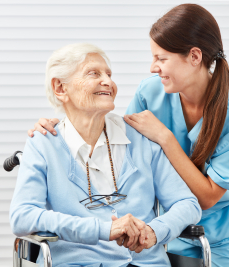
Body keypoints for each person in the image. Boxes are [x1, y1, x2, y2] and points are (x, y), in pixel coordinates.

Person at [29, 4, 229, 266]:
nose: (153, 67)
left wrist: (166, 138)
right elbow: (111, 137)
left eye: (161, 58)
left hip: (227, 225)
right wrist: (60, 122)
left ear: (195, 56)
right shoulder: (150, 93)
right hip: (175, 224)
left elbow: (207, 197)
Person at [11, 42, 201, 267]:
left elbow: (187, 204)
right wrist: (103, 229)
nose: (108, 82)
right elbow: (22, 216)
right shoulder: (44, 144)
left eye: (109, 74)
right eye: (94, 73)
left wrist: (155, 231)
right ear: (61, 88)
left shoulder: (140, 138)